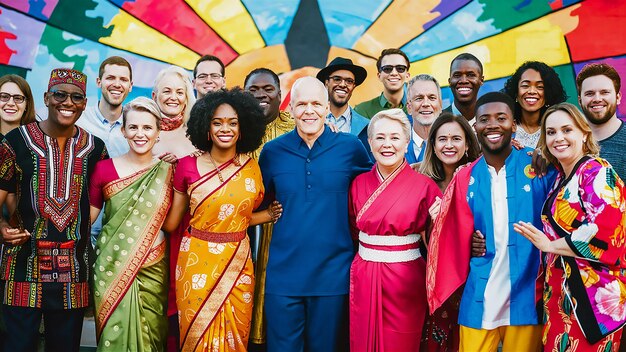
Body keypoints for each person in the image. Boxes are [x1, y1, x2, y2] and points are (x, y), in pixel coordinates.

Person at [427, 92, 556, 352]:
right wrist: (468, 242)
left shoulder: (539, 166)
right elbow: (452, 232)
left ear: (514, 125)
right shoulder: (465, 176)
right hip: (479, 292)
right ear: (475, 127)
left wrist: (545, 154)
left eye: (501, 118)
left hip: (527, 293)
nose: (493, 124)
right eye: (484, 119)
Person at [259, 77, 371, 351]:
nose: (309, 110)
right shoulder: (273, 152)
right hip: (283, 276)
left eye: (316, 104)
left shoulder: (350, 148)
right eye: (302, 104)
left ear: (326, 107)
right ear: (291, 107)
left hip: (333, 276)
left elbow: (377, 185)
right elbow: (256, 200)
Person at [163, 88, 280, 352]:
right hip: (196, 264)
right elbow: (171, 224)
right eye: (217, 122)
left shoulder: (251, 167)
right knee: (197, 337)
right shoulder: (186, 166)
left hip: (238, 264)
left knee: (236, 335)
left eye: (232, 123)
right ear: (206, 127)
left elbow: (236, 217)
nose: (224, 129)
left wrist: (268, 215)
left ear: (243, 129)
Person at [0, 68, 107, 352]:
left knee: (65, 348)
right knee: (17, 346)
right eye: (60, 94)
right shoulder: (15, 143)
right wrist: (1, 228)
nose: (67, 102)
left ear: (85, 103)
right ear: (47, 97)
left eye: (76, 97)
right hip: (23, 267)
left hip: (73, 271)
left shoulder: (96, 149)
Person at [514, 102, 626, 350]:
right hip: (561, 298)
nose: (559, 138)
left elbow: (608, 238)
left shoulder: (596, 172)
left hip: (592, 302)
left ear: (584, 132)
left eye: (567, 130)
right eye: (551, 132)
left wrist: (549, 245)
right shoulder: (562, 177)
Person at [348, 108, 441, 351]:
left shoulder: (425, 186)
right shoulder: (358, 184)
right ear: (369, 142)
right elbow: (352, 230)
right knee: (363, 339)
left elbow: (439, 242)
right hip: (365, 272)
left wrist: (437, 222)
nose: (387, 144)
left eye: (395, 137)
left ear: (407, 141)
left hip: (406, 279)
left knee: (401, 340)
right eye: (379, 138)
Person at [89, 97, 173, 351]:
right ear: (123, 130)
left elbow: (171, 225)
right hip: (111, 268)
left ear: (159, 132)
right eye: (133, 127)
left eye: (148, 128)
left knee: (151, 338)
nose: (140, 134)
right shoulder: (104, 170)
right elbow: (86, 221)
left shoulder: (169, 171)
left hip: (153, 269)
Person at [243, 67, 295, 347]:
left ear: (279, 94)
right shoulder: (234, 127)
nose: (261, 95)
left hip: (282, 223)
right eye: (254, 90)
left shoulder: (294, 127)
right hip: (239, 223)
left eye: (268, 89)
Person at [0, 73, 36, 351]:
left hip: (23, 243)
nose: (10, 103)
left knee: (18, 329)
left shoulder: (37, 141)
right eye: (4, 96)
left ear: (27, 103)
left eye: (18, 98)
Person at [576, 63, 625, 177]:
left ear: (618, 97)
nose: (597, 99)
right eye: (589, 93)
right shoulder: (568, 142)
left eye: (604, 92)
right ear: (580, 101)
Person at [503, 61, 567, 148]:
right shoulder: (505, 126)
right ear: (516, 91)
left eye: (540, 87)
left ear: (549, 93)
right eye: (525, 85)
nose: (532, 91)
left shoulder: (559, 127)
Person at [316, 57, 369, 141]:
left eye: (349, 81)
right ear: (326, 83)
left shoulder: (366, 126)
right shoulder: (311, 119)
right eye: (337, 79)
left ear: (353, 86)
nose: (343, 85)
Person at [151, 65, 197, 159]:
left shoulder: (196, 132)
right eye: (167, 91)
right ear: (154, 96)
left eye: (180, 92)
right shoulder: (143, 131)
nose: (173, 98)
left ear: (186, 98)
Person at [354, 48, 410, 118]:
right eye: (387, 69)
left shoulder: (419, 108)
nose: (394, 73)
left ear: (407, 76)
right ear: (379, 76)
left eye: (400, 68)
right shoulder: (363, 110)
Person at [406, 74, 443, 163]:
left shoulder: (451, 146)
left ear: (440, 105)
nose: (426, 103)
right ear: (409, 107)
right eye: (419, 98)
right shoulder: (397, 145)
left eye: (432, 98)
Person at [443, 53, 484, 124]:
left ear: (481, 80)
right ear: (449, 82)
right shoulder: (436, 121)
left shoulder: (490, 122)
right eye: (457, 75)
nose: (463, 81)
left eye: (471, 75)